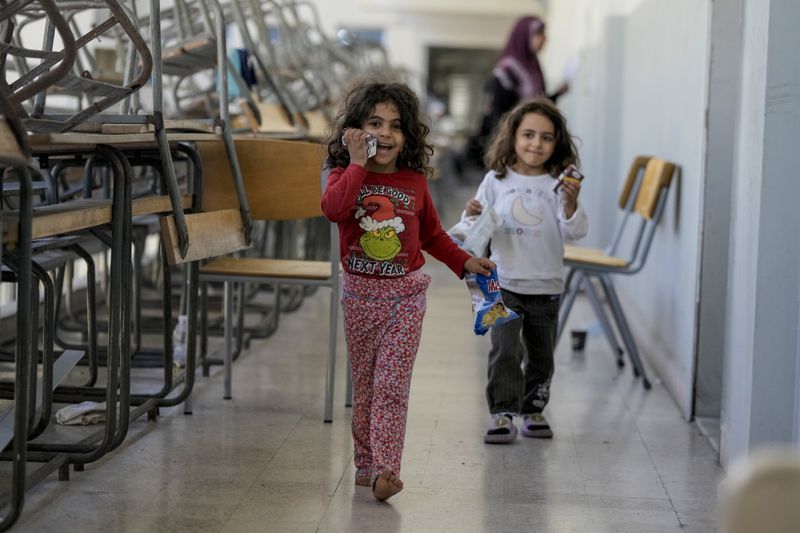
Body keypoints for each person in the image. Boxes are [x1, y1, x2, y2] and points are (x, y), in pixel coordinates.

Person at [321, 80, 496, 500]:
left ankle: (387, 470)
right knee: (365, 387)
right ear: (354, 131)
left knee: (392, 387)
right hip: (360, 297)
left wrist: (465, 263)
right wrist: (358, 163)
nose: (385, 133)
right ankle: (365, 464)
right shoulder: (345, 175)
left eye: (395, 126)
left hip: (406, 298)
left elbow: (433, 235)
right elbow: (334, 210)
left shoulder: (414, 181)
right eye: (374, 123)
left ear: (408, 137)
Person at [463, 98, 588, 443]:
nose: (536, 143)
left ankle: (533, 408)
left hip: (545, 285)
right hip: (500, 282)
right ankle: (502, 413)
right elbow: (474, 229)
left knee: (541, 355)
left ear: (557, 143)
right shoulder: (495, 180)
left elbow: (574, 232)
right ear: (513, 137)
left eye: (546, 138)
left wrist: (572, 203)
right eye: (528, 134)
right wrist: (472, 213)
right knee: (504, 350)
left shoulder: (558, 184)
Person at [466, 15, 569, 169]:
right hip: (512, 147)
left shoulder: (533, 67)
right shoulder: (508, 69)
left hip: (532, 143)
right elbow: (500, 112)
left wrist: (556, 95)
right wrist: (508, 148)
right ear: (525, 36)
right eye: (540, 34)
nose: (544, 40)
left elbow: (536, 105)